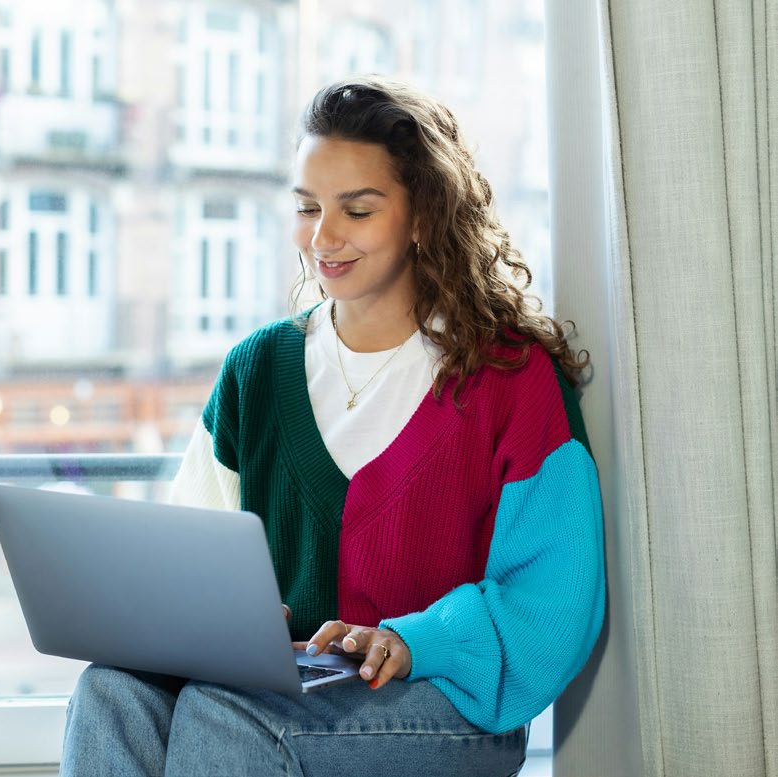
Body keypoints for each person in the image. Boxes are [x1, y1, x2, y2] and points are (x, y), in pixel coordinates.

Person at [60, 76, 605, 777]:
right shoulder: (255, 369)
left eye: (357, 209)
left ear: (420, 217)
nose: (323, 237)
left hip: (443, 702)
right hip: (278, 685)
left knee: (223, 717)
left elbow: (553, 598)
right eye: (306, 207)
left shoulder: (509, 377)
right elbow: (187, 560)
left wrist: (413, 639)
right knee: (111, 691)